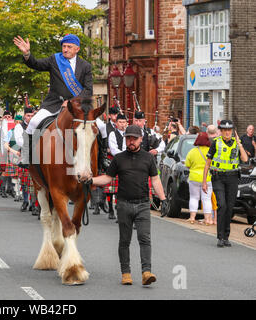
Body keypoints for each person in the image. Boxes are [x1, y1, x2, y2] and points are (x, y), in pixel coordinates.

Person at [83, 125, 166, 286]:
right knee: (124, 240)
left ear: (141, 139)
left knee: (144, 239)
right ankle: (126, 273)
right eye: (128, 138)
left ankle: (146, 272)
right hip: (123, 204)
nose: (131, 141)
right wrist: (91, 180)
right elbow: (108, 178)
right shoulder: (119, 159)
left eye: (134, 138)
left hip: (142, 204)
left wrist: (163, 199)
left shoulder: (148, 158)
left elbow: (155, 179)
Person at [13, 33, 93, 167]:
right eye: (64, 46)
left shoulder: (85, 66)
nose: (65, 49)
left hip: (77, 106)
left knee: (100, 127)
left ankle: (101, 160)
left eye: (69, 46)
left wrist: (72, 101)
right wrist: (27, 54)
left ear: (77, 49)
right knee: (34, 122)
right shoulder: (55, 60)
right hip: (53, 103)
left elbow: (88, 90)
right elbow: (36, 64)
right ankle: (26, 156)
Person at [203, 120, 248, 247]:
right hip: (218, 177)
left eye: (229, 130)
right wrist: (204, 182)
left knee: (229, 207)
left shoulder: (236, 143)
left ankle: (226, 236)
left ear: (232, 131)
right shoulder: (216, 143)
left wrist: (239, 144)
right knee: (221, 205)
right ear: (221, 131)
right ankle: (220, 237)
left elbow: (244, 159)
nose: (227, 132)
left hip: (233, 178)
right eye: (224, 130)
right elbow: (207, 163)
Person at [185, 132, 213, 225]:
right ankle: (207, 219)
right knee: (207, 199)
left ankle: (192, 217)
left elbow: (187, 165)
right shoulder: (211, 151)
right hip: (207, 178)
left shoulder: (192, 152)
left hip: (194, 178)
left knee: (194, 198)